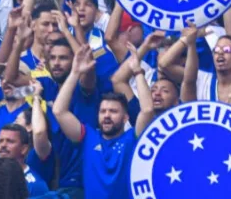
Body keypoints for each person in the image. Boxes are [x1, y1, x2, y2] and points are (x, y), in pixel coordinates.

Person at [52, 45, 154, 198]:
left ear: (125, 117)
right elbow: (59, 111)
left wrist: (138, 72)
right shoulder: (88, 137)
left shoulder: (133, 138)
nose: (107, 115)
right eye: (103, 111)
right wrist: (74, 73)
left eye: (113, 111)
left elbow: (147, 110)